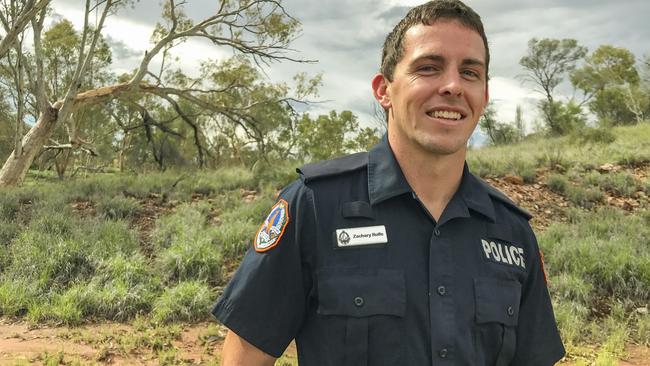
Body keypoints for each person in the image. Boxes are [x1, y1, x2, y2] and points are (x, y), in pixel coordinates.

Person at [212, 0, 566, 365]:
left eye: (470, 73)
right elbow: (245, 356)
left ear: (484, 97)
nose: (452, 86)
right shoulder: (316, 206)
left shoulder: (512, 231)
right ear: (384, 90)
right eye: (428, 68)